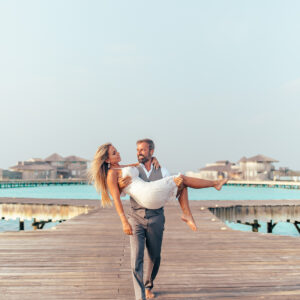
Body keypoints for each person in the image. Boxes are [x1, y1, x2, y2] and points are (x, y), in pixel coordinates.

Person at [89, 140, 227, 300]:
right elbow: (117, 200)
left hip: (151, 202)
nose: (118, 153)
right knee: (181, 179)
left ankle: (187, 213)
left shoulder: (122, 167)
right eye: (114, 153)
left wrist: (153, 161)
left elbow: (135, 165)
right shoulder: (112, 174)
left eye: (117, 150)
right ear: (106, 160)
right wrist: (124, 222)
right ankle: (211, 187)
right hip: (144, 200)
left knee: (180, 183)